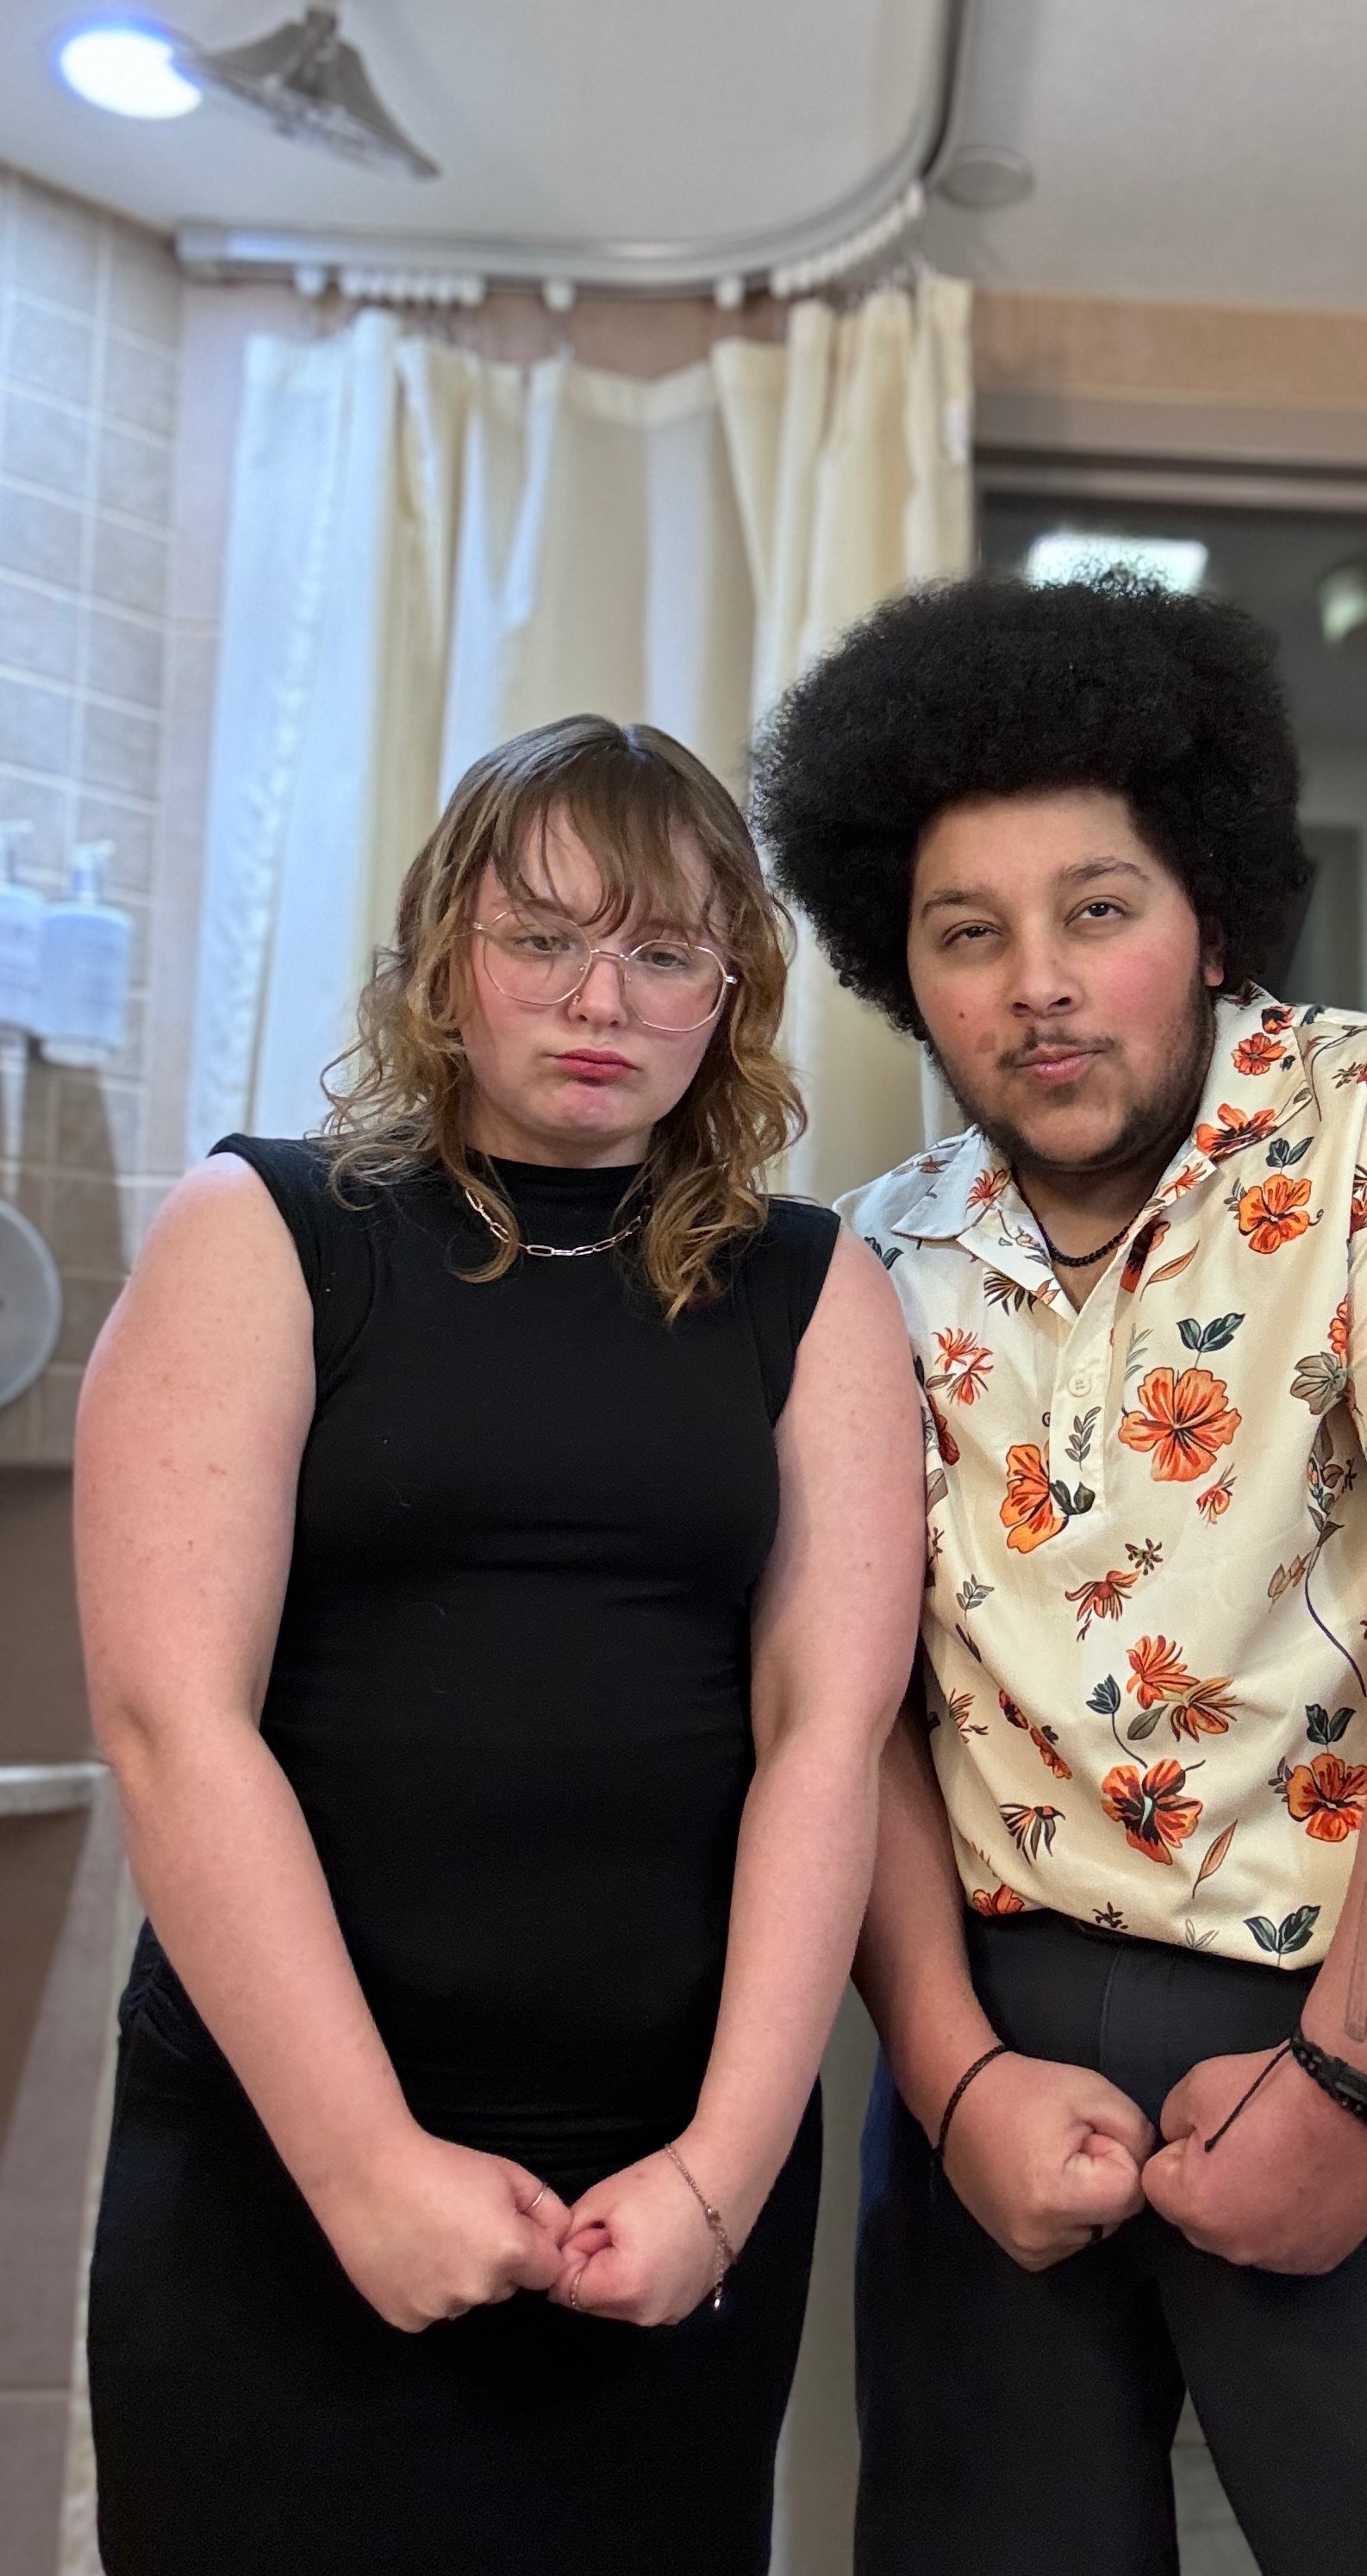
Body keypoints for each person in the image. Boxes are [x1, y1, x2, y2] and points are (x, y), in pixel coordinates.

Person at [752, 575, 1367, 2576]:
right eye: (967, 932)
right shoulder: (863, 1258)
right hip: (998, 2023)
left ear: (1215, 915)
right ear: (903, 968)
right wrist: (952, 2074)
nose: (1038, 984)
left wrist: (1359, 2083)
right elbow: (844, 1705)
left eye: (1098, 908)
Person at [78, 715, 923, 2576]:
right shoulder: (268, 1229)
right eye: (541, 937)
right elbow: (171, 1722)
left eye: (664, 951)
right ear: (444, 952)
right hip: (281, 2149)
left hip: (666, 2180)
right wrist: (364, 2164)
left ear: (732, 992)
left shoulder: (814, 1286)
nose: (598, 999)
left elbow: (827, 1734)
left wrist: (722, 2173)